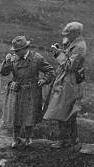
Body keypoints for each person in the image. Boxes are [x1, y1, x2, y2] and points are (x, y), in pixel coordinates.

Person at [0, 36, 54, 149]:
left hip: (32, 91)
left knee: (30, 115)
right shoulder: (14, 59)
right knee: (16, 115)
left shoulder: (37, 58)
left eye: (17, 50)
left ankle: (29, 138)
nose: (16, 52)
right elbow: (4, 73)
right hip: (17, 90)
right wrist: (7, 62)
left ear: (25, 48)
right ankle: (16, 139)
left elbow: (50, 71)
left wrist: (44, 80)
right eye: (15, 50)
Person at [44, 22, 87, 151]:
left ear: (75, 33)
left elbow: (70, 66)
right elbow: (69, 58)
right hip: (68, 82)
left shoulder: (79, 46)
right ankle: (70, 141)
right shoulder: (75, 43)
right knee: (66, 112)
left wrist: (58, 53)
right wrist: (61, 51)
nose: (66, 36)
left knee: (64, 111)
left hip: (70, 83)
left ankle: (65, 141)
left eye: (68, 34)